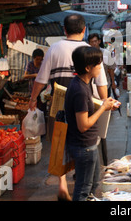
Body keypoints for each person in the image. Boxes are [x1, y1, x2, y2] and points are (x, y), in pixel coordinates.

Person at [28, 13, 108, 201]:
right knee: (84, 144)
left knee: (59, 144)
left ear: (64, 30)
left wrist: (32, 99)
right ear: (83, 30)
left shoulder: (54, 49)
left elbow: (41, 79)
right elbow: (101, 84)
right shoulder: (90, 51)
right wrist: (105, 103)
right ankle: (81, 184)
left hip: (59, 107)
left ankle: (62, 183)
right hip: (84, 105)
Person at [65, 46, 118, 201]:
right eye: (98, 64)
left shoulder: (82, 83)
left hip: (88, 145)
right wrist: (103, 108)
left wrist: (105, 104)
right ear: (88, 67)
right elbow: (83, 125)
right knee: (83, 189)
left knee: (93, 183)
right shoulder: (80, 90)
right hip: (84, 146)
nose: (101, 67)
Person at [88, 33, 117, 97]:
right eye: (92, 42)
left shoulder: (106, 53)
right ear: (89, 43)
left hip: (106, 84)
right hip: (92, 86)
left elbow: (111, 69)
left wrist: (113, 83)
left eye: (95, 41)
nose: (94, 43)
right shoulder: (87, 55)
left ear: (99, 41)